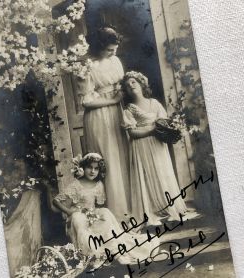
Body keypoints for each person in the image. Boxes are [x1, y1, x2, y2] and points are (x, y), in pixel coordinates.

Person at [53, 153, 159, 268]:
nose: (92, 171)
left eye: (96, 168)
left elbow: (99, 205)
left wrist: (95, 216)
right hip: (79, 217)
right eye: (90, 167)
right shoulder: (76, 185)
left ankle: (116, 252)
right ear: (83, 167)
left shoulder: (98, 185)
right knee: (78, 218)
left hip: (92, 214)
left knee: (105, 212)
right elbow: (56, 201)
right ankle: (93, 255)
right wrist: (70, 212)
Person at [121, 71, 188, 225]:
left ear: (141, 84)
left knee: (161, 171)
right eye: (127, 85)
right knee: (147, 174)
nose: (131, 86)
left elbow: (165, 123)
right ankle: (152, 208)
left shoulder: (154, 103)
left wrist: (167, 129)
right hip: (141, 144)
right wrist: (152, 130)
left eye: (133, 82)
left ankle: (168, 206)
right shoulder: (129, 110)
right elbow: (132, 133)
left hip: (157, 143)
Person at [77, 27, 130, 220]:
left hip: (118, 113)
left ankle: (130, 210)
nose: (113, 52)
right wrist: (113, 100)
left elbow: (122, 86)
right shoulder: (86, 67)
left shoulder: (115, 61)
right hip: (99, 116)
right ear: (98, 47)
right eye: (108, 49)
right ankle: (116, 215)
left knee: (123, 158)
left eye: (115, 48)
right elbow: (86, 101)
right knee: (108, 161)